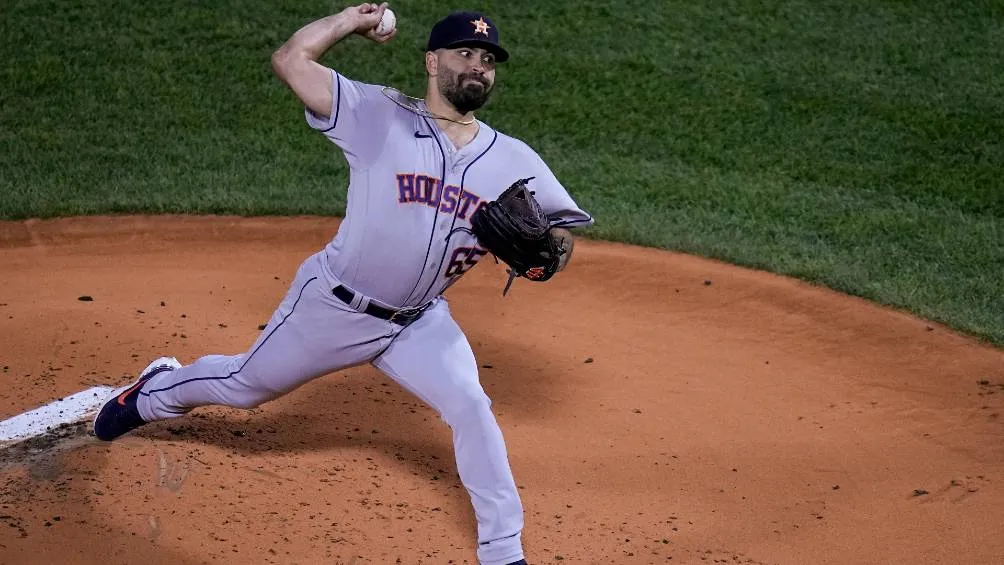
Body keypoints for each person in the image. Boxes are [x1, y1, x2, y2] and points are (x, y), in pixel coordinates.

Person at [92, 4, 593, 565]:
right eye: (464, 54)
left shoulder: (514, 159)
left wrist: (549, 253)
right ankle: (154, 392)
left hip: (420, 322)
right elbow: (290, 60)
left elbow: (563, 234)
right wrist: (350, 22)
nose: (477, 67)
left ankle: (503, 550)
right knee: (245, 386)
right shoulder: (377, 112)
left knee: (471, 405)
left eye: (487, 59)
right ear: (432, 61)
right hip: (334, 307)